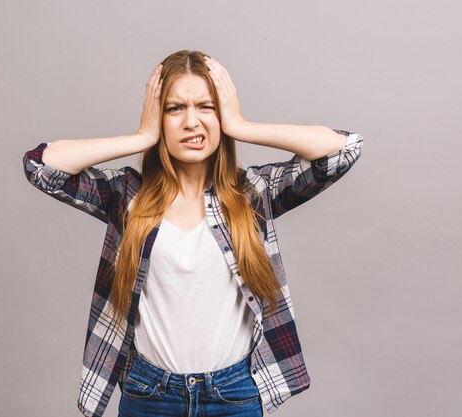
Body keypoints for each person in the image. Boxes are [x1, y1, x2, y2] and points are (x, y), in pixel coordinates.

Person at [22, 49, 363, 417]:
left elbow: (343, 150)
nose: (191, 122)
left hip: (235, 394)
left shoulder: (252, 193)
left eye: (206, 107)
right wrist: (142, 135)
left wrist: (240, 126)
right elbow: (42, 167)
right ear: (159, 116)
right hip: (149, 394)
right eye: (174, 109)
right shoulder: (126, 196)